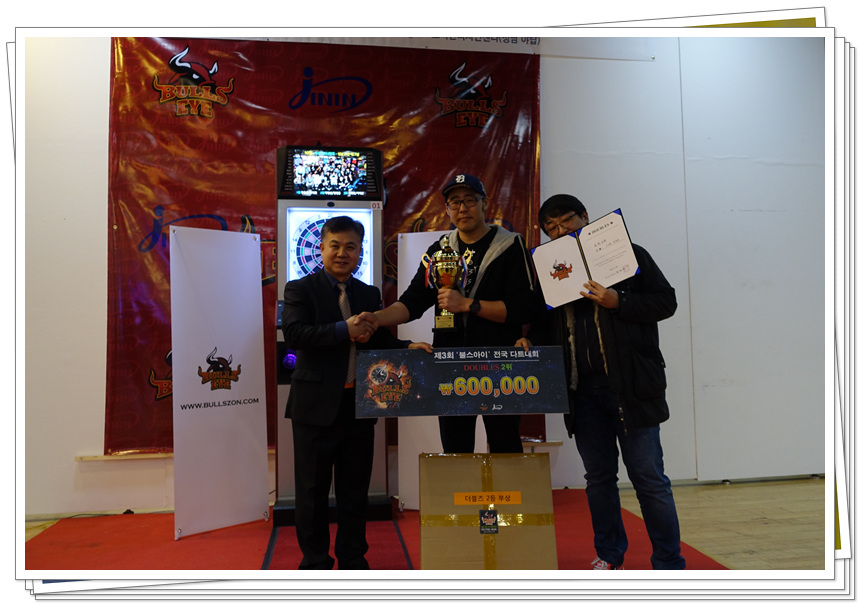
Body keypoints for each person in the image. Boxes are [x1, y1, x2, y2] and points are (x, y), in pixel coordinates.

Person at [519, 194, 685, 570]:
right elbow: (546, 325)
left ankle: (669, 564)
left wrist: (617, 300)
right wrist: (529, 339)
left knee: (649, 479)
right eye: (551, 228)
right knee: (598, 479)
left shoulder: (629, 255)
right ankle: (610, 557)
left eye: (567, 221)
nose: (560, 231)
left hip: (631, 388)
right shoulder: (551, 271)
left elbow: (666, 302)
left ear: (585, 217)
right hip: (582, 394)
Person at [281, 215, 430, 570]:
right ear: (321, 249)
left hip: (359, 407)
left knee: (354, 493)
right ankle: (315, 563)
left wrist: (406, 347)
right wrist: (342, 329)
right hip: (314, 409)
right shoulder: (299, 289)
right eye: (335, 246)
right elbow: (296, 334)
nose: (342, 253)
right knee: (312, 493)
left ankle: (353, 561)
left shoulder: (368, 294)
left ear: (360, 251)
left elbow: (378, 340)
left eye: (351, 247)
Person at [357, 174, 540, 453]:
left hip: (499, 363)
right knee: (456, 451)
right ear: (447, 209)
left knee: (505, 447)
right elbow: (412, 302)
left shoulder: (510, 245)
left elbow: (523, 309)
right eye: (455, 202)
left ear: (484, 203)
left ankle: (504, 485)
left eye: (469, 200)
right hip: (450, 364)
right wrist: (377, 318)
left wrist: (468, 304)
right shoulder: (440, 250)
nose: (462, 208)